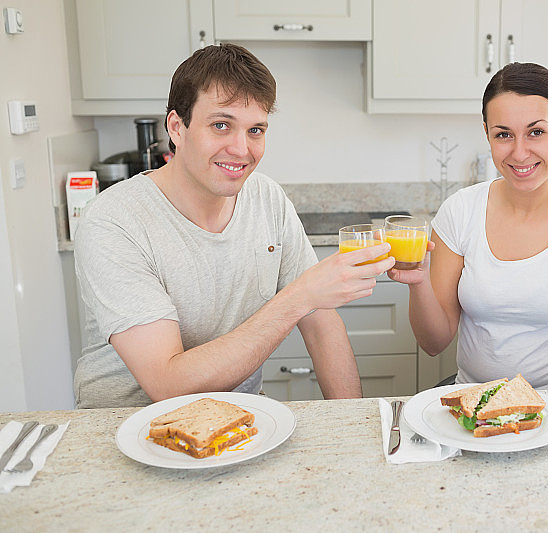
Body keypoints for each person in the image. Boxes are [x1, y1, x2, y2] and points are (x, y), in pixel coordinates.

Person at [73, 44, 394, 408]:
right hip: (124, 427)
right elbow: (167, 384)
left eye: (255, 129)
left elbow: (321, 323)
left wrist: (352, 422)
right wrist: (300, 296)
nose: (242, 149)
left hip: (239, 419)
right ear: (178, 127)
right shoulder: (115, 220)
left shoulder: (267, 198)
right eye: (221, 125)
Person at [388, 62, 548, 388]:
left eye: (536, 132)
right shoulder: (459, 211)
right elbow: (433, 344)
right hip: (476, 405)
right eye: (503, 134)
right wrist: (419, 283)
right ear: (487, 133)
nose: (519, 153)